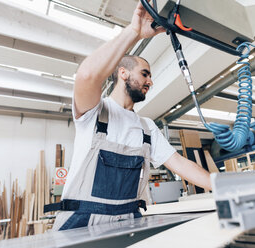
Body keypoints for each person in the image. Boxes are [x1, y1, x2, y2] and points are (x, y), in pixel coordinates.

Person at [47, 0, 212, 231]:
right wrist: (134, 32)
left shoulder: (147, 127)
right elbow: (86, 76)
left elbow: (180, 164)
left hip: (128, 223)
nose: (150, 81)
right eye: (145, 74)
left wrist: (221, 184)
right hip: (82, 224)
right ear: (123, 73)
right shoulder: (95, 111)